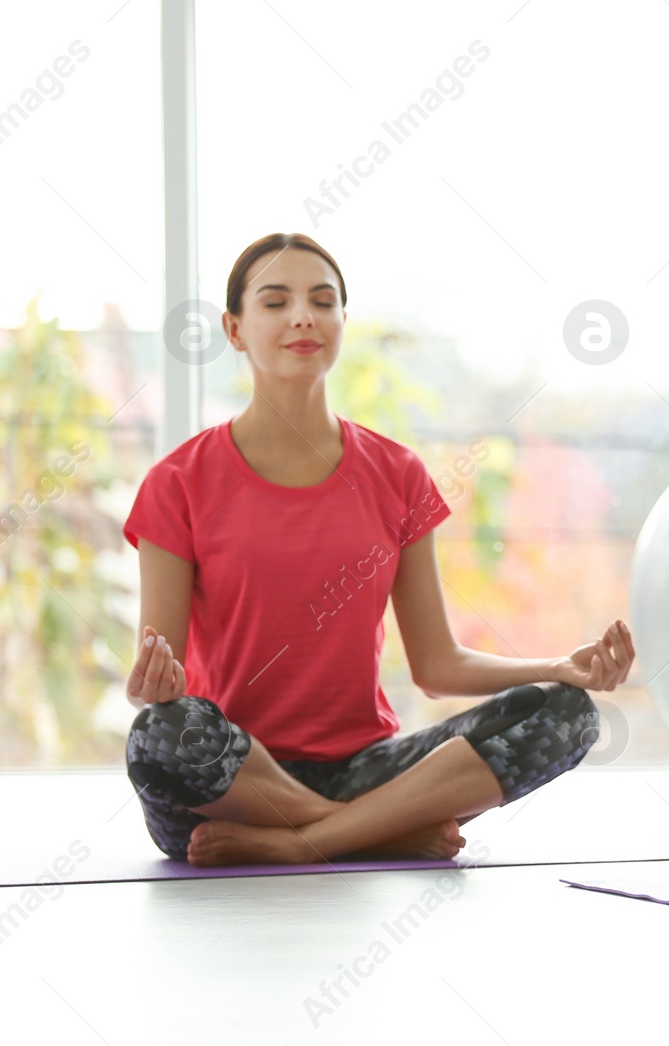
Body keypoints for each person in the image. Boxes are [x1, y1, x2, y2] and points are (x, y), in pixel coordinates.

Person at [122, 232, 635, 868]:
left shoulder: (397, 473)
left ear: (341, 321)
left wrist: (559, 667)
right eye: (276, 302)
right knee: (159, 736)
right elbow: (160, 689)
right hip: (233, 788)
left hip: (369, 770)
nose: (303, 316)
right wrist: (153, 683)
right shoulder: (178, 482)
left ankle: (307, 842)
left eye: (322, 300)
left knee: (566, 714)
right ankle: (373, 834)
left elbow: (437, 663)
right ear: (234, 329)